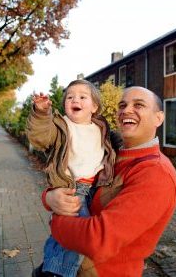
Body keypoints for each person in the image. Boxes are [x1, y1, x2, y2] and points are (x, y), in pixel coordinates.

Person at [42, 86, 176, 277]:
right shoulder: (111, 155)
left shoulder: (156, 173)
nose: (126, 110)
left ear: (159, 118)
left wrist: (56, 220)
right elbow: (80, 183)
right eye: (122, 105)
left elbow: (99, 240)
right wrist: (49, 197)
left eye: (138, 105)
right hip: (73, 266)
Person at [26, 79, 119, 277]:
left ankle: (46, 269)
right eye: (70, 97)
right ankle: (56, 272)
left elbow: (116, 145)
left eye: (82, 97)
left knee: (69, 235)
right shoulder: (61, 126)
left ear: (94, 107)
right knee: (78, 231)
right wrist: (41, 113)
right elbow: (40, 136)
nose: (75, 99)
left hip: (95, 187)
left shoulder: (101, 128)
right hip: (72, 188)